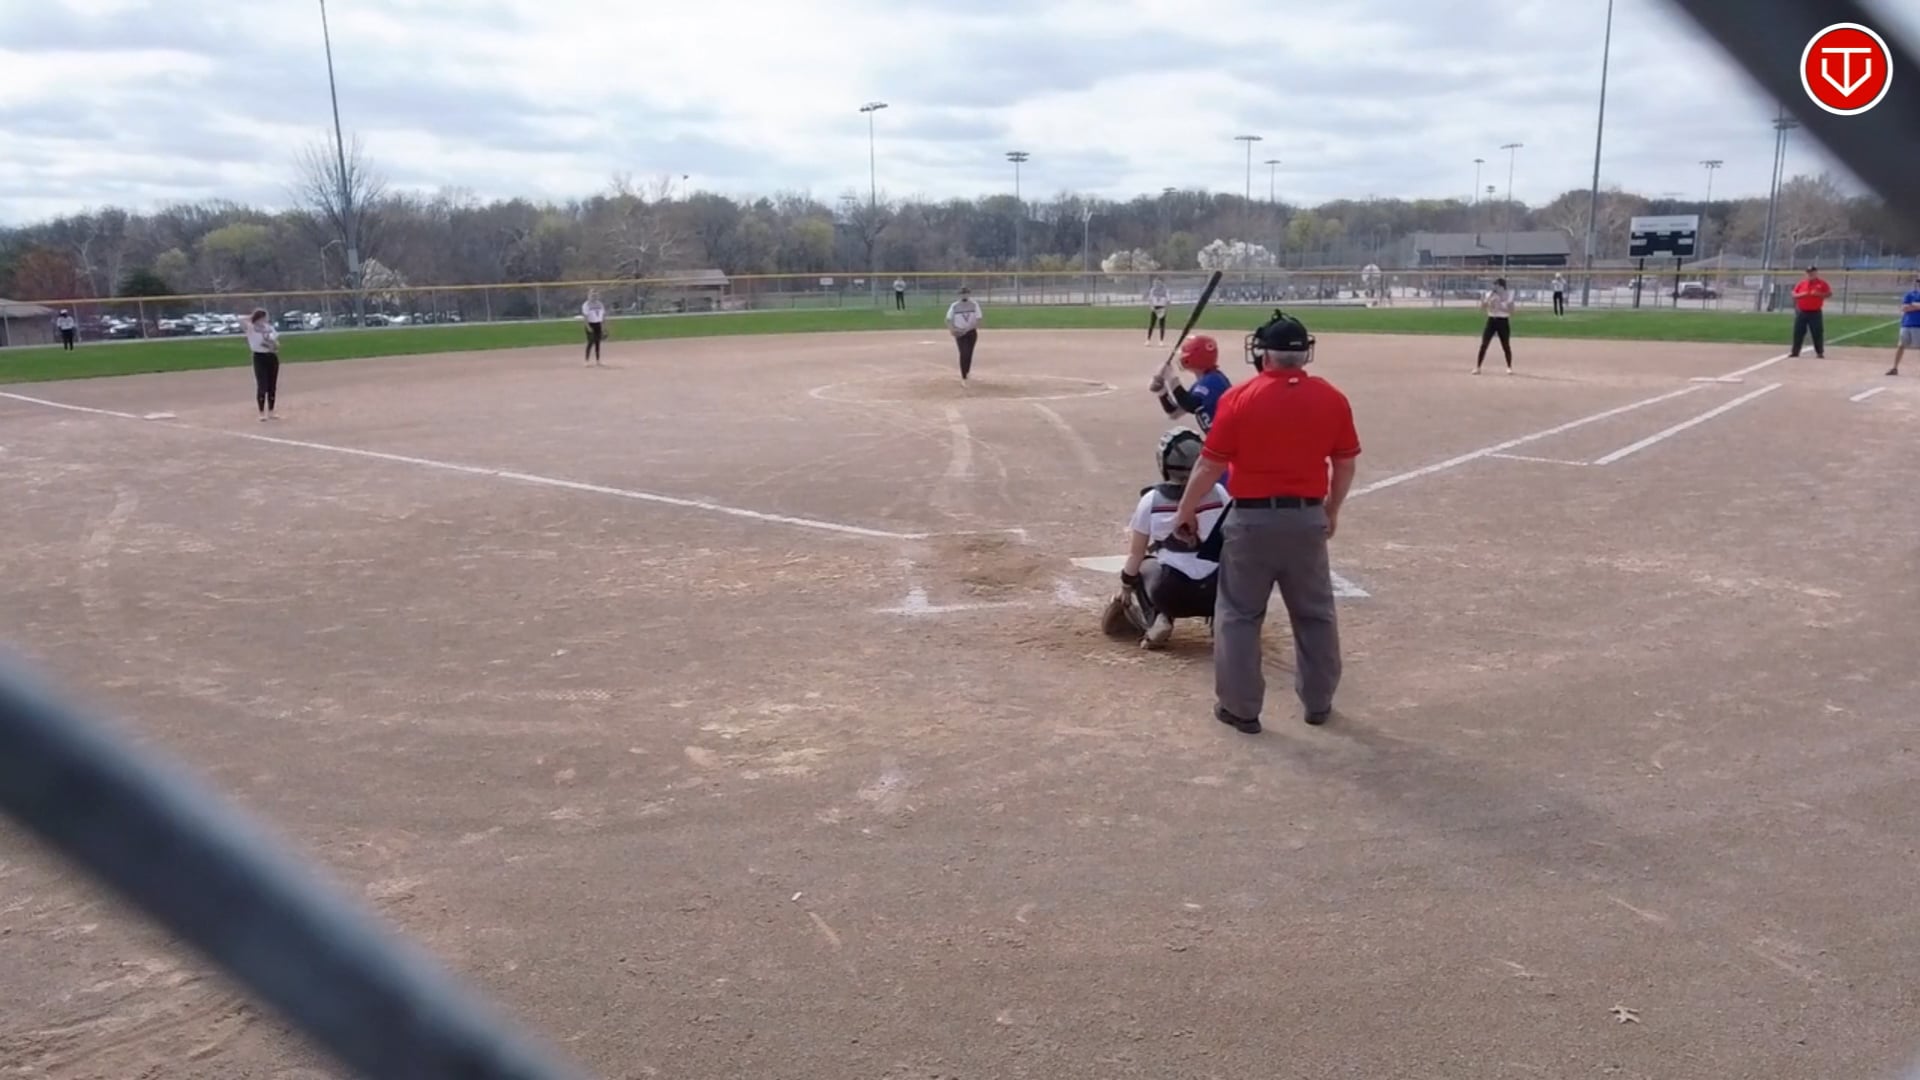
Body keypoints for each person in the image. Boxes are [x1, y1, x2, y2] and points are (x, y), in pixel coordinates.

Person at [1169, 309, 1360, 733]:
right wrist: (1331, 509)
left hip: (1251, 521)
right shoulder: (1331, 398)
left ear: (1264, 355)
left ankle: (1241, 708)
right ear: (1304, 354)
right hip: (1306, 519)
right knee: (1315, 614)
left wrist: (1186, 510)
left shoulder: (1241, 397)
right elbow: (1345, 463)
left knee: (1239, 614)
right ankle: (1318, 702)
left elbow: (1209, 465)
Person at [1101, 428, 1230, 650]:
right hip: (1215, 590)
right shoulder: (1219, 492)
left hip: (1171, 593)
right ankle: (1222, 619)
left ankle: (1158, 619)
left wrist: (1125, 587)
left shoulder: (1152, 500)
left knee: (1142, 564)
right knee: (1223, 559)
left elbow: (1135, 556)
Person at [1150, 334, 1232, 433]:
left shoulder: (1213, 381)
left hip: (1229, 440)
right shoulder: (1205, 381)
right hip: (1220, 439)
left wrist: (1171, 378)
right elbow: (1174, 413)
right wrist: (1162, 391)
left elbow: (1189, 405)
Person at [245, 309, 281, 421]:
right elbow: (239, 319)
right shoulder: (251, 328)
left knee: (272, 385)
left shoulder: (269, 328)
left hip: (271, 356)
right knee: (262, 385)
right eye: (263, 317)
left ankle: (271, 411)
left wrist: (274, 345)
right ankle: (261, 412)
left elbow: (275, 341)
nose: (265, 320)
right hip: (259, 357)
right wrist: (251, 317)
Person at [1790, 266, 1832, 359]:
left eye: (1812, 272)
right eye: (1809, 273)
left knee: (1817, 332)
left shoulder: (1822, 283)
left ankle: (1819, 352)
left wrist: (1819, 294)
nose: (1810, 274)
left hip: (1815, 312)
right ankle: (1795, 352)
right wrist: (1802, 294)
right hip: (1802, 311)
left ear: (1816, 273)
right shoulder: (1802, 283)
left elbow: (1829, 294)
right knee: (1798, 332)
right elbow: (1794, 294)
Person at [1475, 277, 1515, 374]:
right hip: (1491, 320)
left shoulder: (1509, 295)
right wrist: (1486, 302)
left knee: (1505, 345)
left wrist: (1499, 305)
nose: (1494, 288)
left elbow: (1512, 311)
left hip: (1503, 321)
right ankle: (1478, 367)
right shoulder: (1489, 294)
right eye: (1494, 286)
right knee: (1484, 344)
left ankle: (1509, 367)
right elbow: (1482, 308)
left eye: (1497, 286)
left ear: (1502, 287)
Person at [945, 286, 982, 381]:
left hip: (971, 332)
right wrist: (952, 329)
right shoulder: (954, 306)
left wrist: (970, 328)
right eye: (962, 294)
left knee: (969, 353)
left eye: (966, 293)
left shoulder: (974, 305)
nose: (964, 295)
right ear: (959, 295)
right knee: (964, 353)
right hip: (960, 333)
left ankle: (967, 372)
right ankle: (964, 376)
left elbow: (978, 319)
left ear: (969, 294)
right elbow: (948, 319)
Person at [1889, 273, 1920, 376]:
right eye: (1918, 282)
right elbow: (1904, 308)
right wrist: (1917, 306)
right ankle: (1894, 368)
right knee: (1901, 345)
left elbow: (1908, 307)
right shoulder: (1910, 294)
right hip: (1906, 324)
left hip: (1918, 325)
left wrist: (1913, 305)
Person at [581, 289, 607, 366]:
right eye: (592, 295)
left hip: (598, 324)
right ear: (589, 295)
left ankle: (598, 360)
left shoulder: (600, 304)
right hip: (590, 324)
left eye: (595, 295)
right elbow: (585, 317)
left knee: (597, 343)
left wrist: (603, 326)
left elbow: (603, 316)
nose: (594, 296)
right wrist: (588, 327)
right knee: (590, 342)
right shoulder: (586, 304)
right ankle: (587, 360)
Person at [1145, 278, 1171, 343]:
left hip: (1162, 308)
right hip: (1154, 308)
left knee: (1162, 325)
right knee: (1152, 324)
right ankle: (1148, 339)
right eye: (1156, 282)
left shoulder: (1165, 290)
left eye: (1159, 282)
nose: (1157, 284)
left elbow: (1168, 301)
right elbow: (1150, 300)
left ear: (1162, 283)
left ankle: (1161, 340)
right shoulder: (1153, 290)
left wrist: (1166, 308)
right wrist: (1151, 307)